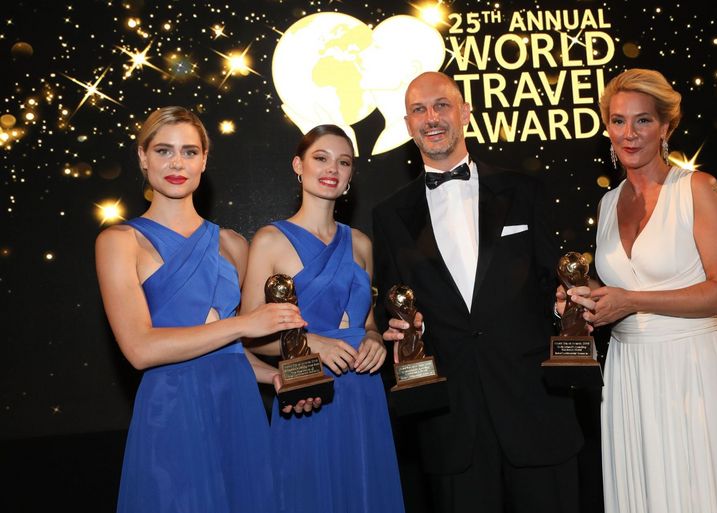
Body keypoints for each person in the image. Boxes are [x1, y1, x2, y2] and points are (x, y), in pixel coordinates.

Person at [374, 71, 583, 513]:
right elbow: (391, 301)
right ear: (408, 125)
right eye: (418, 110)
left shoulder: (524, 190)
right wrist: (395, 327)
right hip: (452, 422)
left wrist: (566, 306)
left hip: (533, 405)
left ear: (465, 113)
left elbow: (555, 284)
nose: (431, 118)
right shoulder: (389, 214)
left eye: (442, 105)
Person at [559, 68, 717, 512]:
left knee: (698, 490)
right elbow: (623, 286)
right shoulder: (608, 202)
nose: (629, 133)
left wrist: (631, 302)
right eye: (618, 121)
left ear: (666, 127)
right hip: (629, 371)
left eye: (643, 121)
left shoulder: (697, 189)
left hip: (691, 366)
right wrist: (583, 297)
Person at [95, 106, 314, 513]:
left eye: (189, 152)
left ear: (204, 160)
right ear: (143, 157)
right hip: (171, 412)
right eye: (163, 151)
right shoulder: (120, 241)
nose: (177, 163)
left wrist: (275, 375)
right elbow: (140, 349)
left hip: (239, 408)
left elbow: (230, 352)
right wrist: (244, 324)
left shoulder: (233, 244)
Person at [240, 124, 405, 513]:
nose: (332, 168)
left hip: (364, 395)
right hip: (308, 392)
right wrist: (310, 343)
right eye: (321, 158)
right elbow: (249, 336)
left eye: (343, 162)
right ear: (298, 166)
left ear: (350, 176)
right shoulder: (269, 240)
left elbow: (365, 323)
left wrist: (374, 339)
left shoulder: (361, 243)